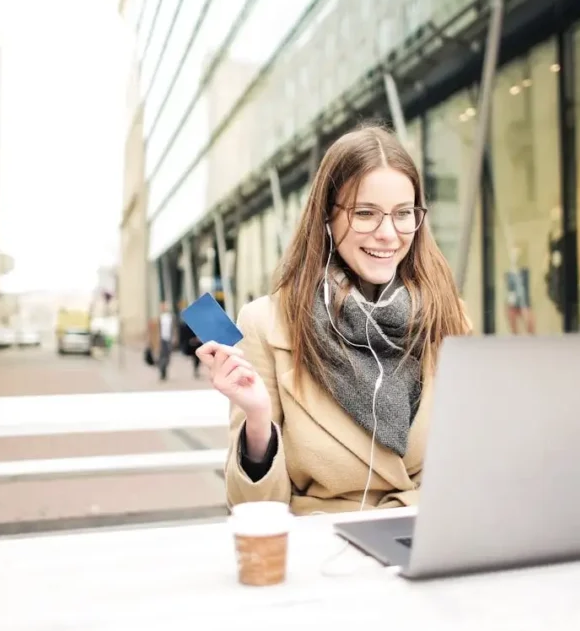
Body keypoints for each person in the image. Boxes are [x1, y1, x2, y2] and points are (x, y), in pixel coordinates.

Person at [196, 125, 471, 515]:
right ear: (327, 217)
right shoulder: (266, 323)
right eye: (365, 214)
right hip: (326, 551)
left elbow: (469, 460)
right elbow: (253, 508)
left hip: (426, 537)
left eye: (403, 214)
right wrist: (257, 420)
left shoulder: (448, 315)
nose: (388, 234)